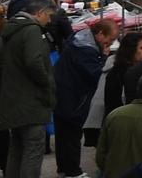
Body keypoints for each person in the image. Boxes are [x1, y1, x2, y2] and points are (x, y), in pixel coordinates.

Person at [0, 0, 57, 178]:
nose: (49, 21)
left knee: (16, 148)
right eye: (49, 16)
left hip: (13, 101)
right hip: (32, 102)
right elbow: (34, 62)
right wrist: (46, 82)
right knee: (32, 151)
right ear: (40, 12)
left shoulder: (11, 28)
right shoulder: (32, 30)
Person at [56, 17, 118, 178]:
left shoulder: (79, 39)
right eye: (109, 41)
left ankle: (64, 168)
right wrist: (105, 57)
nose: (109, 45)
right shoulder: (86, 50)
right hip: (74, 98)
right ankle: (73, 171)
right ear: (100, 34)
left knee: (63, 134)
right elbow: (95, 73)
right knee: (72, 135)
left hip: (63, 93)